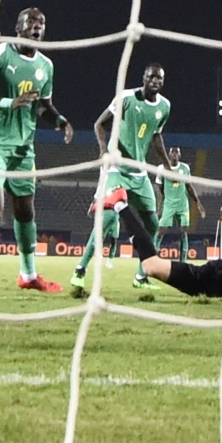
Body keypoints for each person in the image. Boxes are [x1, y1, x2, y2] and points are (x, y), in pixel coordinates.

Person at [0, 8, 72, 296]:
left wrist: (59, 120)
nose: (37, 27)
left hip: (23, 147)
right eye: (31, 23)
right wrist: (10, 103)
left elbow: (43, 104)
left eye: (41, 23)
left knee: (25, 211)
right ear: (18, 27)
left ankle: (29, 274)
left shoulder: (46, 65)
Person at [70, 64, 172, 292]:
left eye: (159, 78)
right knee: (106, 222)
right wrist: (103, 150)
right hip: (116, 170)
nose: (155, 80)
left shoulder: (165, 107)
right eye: (151, 77)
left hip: (139, 173)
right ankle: (80, 271)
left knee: (154, 226)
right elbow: (99, 124)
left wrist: (167, 166)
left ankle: (141, 276)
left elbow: (156, 137)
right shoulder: (126, 98)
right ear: (143, 79)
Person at [155, 146, 206, 263]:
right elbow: (159, 188)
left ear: (180, 155)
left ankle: (182, 262)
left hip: (183, 206)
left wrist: (198, 203)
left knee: (183, 231)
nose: (174, 154)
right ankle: (153, 256)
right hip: (169, 204)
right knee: (161, 230)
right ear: (168, 155)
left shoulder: (185, 168)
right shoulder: (161, 168)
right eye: (172, 152)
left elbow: (189, 186)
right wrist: (160, 206)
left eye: (177, 152)